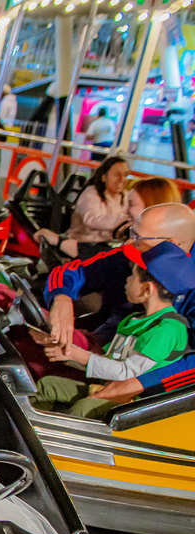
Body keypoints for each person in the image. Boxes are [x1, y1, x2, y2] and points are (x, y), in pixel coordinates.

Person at [32, 242, 194, 419]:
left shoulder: (167, 330)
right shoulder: (135, 320)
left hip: (134, 402)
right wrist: (67, 351)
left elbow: (124, 371)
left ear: (147, 289)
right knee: (47, 385)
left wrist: (76, 355)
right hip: (108, 384)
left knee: (83, 408)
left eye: (132, 276)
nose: (127, 279)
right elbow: (112, 358)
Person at [42, 203, 195, 354]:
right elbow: (72, 272)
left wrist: (140, 379)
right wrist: (61, 297)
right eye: (132, 233)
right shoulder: (128, 254)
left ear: (171, 245)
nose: (128, 243)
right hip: (106, 347)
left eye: (139, 238)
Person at [33, 157, 131, 260]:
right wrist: (124, 218)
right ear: (103, 177)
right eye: (116, 175)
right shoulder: (91, 194)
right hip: (80, 247)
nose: (122, 179)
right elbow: (92, 220)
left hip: (103, 249)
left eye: (125, 175)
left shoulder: (125, 196)